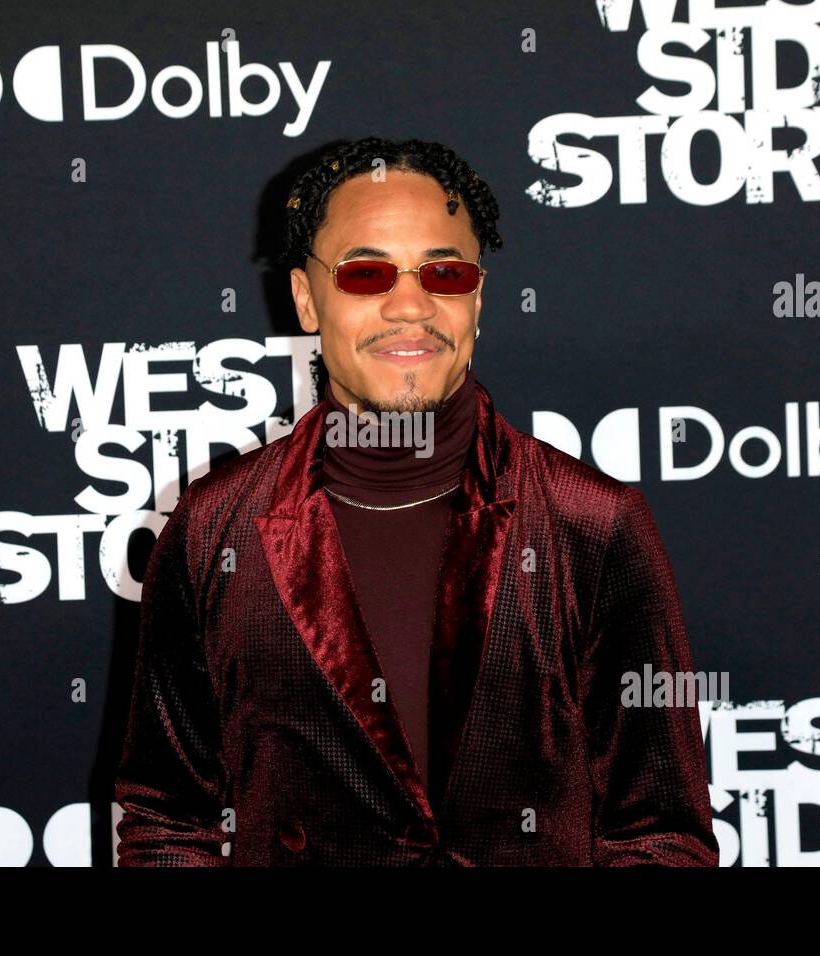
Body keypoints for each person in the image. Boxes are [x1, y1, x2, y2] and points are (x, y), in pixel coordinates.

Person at [114, 136, 719, 866]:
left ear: (478, 297)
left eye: (445, 270)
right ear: (307, 299)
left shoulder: (591, 525)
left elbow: (659, 835)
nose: (411, 304)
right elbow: (165, 821)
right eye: (366, 273)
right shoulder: (216, 526)